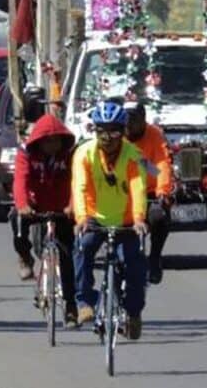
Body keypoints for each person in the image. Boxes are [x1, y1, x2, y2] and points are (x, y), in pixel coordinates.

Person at [72, 101, 148, 340]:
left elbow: (139, 188)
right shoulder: (83, 153)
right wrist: (82, 217)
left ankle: (133, 314)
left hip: (126, 221)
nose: (108, 138)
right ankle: (85, 302)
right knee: (83, 248)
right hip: (94, 218)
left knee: (135, 264)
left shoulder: (134, 155)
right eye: (101, 131)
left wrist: (138, 218)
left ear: (123, 132)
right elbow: (80, 187)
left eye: (114, 131)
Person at [11, 113, 78, 326]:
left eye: (56, 140)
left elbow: (77, 181)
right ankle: (25, 257)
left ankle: (70, 306)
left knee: (67, 256)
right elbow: (20, 180)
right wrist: (23, 205)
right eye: (47, 141)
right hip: (34, 206)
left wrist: (73, 206)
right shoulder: (26, 154)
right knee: (17, 225)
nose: (52, 145)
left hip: (62, 208)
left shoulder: (69, 155)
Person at [122, 101, 173, 285]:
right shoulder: (115, 134)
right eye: (126, 120)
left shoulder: (154, 135)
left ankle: (155, 258)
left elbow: (162, 164)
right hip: (121, 192)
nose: (129, 125)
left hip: (149, 191)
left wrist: (162, 191)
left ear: (143, 120)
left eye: (134, 120)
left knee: (159, 217)